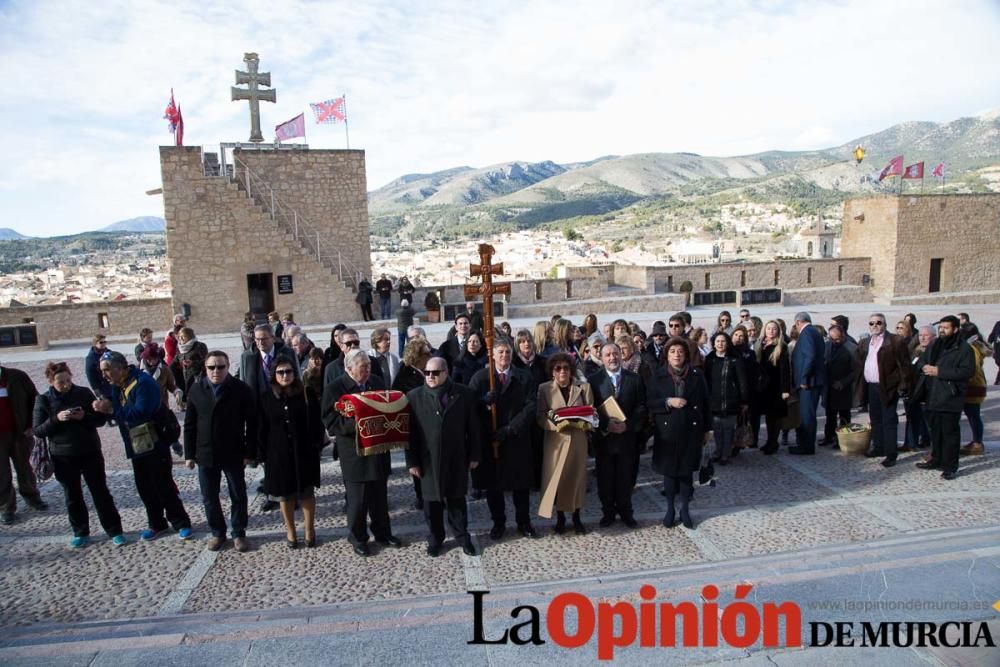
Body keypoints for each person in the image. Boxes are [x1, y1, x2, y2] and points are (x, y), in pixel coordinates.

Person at [93, 351, 193, 540]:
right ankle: (156, 523)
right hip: (136, 443)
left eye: (107, 370)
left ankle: (180, 521)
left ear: (121, 368)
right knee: (145, 487)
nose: (104, 375)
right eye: (102, 371)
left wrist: (112, 409)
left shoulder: (143, 383)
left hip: (155, 442)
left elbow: (140, 413)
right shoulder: (117, 384)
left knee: (163, 485)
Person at [33, 362, 124, 547]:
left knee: (100, 492)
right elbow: (38, 430)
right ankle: (81, 531)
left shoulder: (83, 393)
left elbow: (100, 420)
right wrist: (56, 419)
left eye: (68, 380)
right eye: (61, 382)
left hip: (89, 451)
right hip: (63, 456)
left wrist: (85, 417)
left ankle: (114, 530)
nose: (66, 384)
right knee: (72, 495)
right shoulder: (43, 400)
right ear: (51, 382)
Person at [324, 350, 402, 556]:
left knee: (380, 497)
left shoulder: (376, 381)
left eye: (368, 365)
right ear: (349, 369)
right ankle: (358, 537)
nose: (368, 370)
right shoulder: (335, 388)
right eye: (363, 367)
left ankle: (383, 533)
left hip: (378, 450)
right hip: (354, 453)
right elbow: (331, 421)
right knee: (358, 501)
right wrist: (358, 424)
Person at [406, 356, 481, 557]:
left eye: (435, 372)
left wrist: (474, 454)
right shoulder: (414, 397)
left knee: (456, 499)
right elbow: (410, 434)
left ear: (445, 372)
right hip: (427, 460)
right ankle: (435, 539)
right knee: (431, 503)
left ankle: (462, 537)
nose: (430, 376)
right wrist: (412, 461)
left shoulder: (463, 394)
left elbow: (473, 428)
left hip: (456, 457)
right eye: (427, 372)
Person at [183, 351, 256, 552]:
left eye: (221, 367)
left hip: (233, 451)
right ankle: (217, 532)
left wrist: (250, 451)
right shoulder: (197, 390)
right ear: (205, 368)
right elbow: (189, 425)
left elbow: (252, 423)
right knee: (209, 496)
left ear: (228, 367)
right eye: (211, 367)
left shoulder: (241, 389)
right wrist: (189, 454)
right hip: (205, 453)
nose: (216, 371)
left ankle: (239, 533)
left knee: (238, 494)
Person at [469, 337, 539, 540]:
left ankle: (524, 522)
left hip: (516, 440)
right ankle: (498, 522)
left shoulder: (524, 377)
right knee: (494, 487)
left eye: (508, 352)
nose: (505, 356)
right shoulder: (481, 378)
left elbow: (531, 406)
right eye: (500, 352)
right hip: (492, 443)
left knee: (520, 486)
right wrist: (483, 402)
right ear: (492, 355)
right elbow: (469, 406)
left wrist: (510, 429)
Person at [260, 357, 324, 548]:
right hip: (278, 454)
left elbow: (316, 422)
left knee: (306, 492)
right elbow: (261, 428)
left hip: (303, 452)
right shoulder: (266, 397)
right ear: (274, 375)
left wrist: (316, 445)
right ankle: (290, 530)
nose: (285, 375)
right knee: (285, 495)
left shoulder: (307, 393)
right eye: (281, 372)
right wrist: (262, 454)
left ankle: (309, 529)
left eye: (288, 371)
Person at [647, 337, 711, 529]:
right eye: (673, 351)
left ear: (686, 355)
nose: (677, 355)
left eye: (680, 351)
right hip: (667, 431)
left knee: (685, 471)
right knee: (669, 472)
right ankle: (670, 509)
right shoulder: (658, 376)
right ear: (667, 354)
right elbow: (649, 403)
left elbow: (706, 403)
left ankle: (684, 509)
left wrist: (708, 429)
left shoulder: (696, 375)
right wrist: (668, 401)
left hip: (691, 429)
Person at [588, 342, 646, 528]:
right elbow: (591, 409)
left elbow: (642, 406)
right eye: (608, 355)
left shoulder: (634, 379)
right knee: (605, 479)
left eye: (615, 354)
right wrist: (607, 425)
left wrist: (627, 425)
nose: (612, 358)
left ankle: (626, 512)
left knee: (625, 478)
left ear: (621, 355)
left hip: (627, 439)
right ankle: (608, 513)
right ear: (602, 358)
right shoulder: (593, 380)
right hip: (604, 439)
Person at [536, 352, 593, 535]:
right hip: (556, 441)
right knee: (557, 480)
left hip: (577, 440)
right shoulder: (544, 389)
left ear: (571, 370)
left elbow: (592, 412)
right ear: (552, 372)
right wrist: (555, 425)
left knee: (576, 479)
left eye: (566, 368)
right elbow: (540, 415)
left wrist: (584, 422)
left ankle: (577, 518)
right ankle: (560, 518)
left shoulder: (583, 388)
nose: (562, 371)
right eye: (557, 368)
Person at [916, 316, 975, 480]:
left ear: (955, 329)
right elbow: (920, 360)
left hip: (951, 396)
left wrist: (939, 371)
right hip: (933, 395)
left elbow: (967, 372)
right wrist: (924, 367)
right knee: (935, 431)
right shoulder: (936, 344)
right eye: (941, 327)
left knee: (950, 434)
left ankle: (950, 466)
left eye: (946, 328)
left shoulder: (963, 349)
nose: (942, 330)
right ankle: (936, 459)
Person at [855, 313, 911, 467]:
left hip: (888, 386)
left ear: (885, 324)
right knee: (876, 418)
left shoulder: (895, 341)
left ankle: (891, 453)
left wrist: (902, 386)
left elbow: (904, 366)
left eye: (878, 323)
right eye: (872, 323)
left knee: (889, 420)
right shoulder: (865, 342)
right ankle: (878, 446)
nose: (875, 326)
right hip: (871, 385)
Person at [0, 359, 47, 525]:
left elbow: (36, 400)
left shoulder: (17, 377)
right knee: (1, 472)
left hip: (20, 433)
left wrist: (32, 425)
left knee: (24, 467)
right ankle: (6, 507)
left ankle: (32, 497)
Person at [393, 338, 434, 509]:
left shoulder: (431, 369)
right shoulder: (405, 373)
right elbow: (397, 396)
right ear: (417, 356)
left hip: (433, 424)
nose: (430, 355)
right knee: (417, 463)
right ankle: (421, 495)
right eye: (427, 353)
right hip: (414, 426)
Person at [704, 332, 749, 464]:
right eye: (717, 341)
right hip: (715, 399)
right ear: (713, 343)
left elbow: (742, 381)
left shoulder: (734, 359)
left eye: (723, 341)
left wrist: (744, 400)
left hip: (731, 400)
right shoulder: (710, 358)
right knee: (717, 428)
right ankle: (718, 450)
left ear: (727, 343)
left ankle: (725, 454)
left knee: (728, 428)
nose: (720, 344)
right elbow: (706, 379)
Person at [789, 312, 826, 456]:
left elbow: (810, 356)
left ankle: (806, 446)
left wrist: (804, 378)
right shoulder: (814, 332)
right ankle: (805, 444)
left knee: (807, 416)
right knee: (807, 414)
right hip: (811, 381)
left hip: (808, 383)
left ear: (798, 322)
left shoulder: (807, 333)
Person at [821, 324, 860, 448]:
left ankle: (843, 439)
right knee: (830, 414)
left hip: (844, 387)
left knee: (844, 415)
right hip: (829, 385)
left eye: (837, 339)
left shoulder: (851, 348)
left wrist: (843, 382)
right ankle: (829, 436)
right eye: (832, 339)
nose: (835, 342)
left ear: (843, 335)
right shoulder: (827, 346)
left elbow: (857, 369)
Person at [140, 343, 183, 455]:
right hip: (145, 409)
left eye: (153, 359)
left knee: (168, 430)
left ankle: (175, 445)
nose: (150, 361)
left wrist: (177, 393)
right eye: (148, 359)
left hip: (162, 406)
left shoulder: (164, 369)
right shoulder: (138, 371)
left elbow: (172, 386)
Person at [757, 321, 791, 455]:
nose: (771, 331)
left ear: (778, 331)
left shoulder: (781, 347)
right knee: (769, 416)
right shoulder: (762, 345)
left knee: (776, 416)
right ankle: (769, 441)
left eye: (774, 329)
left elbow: (785, 370)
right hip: (765, 387)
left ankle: (773, 442)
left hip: (777, 386)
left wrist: (785, 390)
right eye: (769, 328)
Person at [959, 323, 989, 456]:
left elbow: (973, 368)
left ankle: (977, 443)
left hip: (973, 385)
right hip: (977, 384)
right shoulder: (977, 345)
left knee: (973, 415)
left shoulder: (971, 348)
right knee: (973, 415)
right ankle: (977, 441)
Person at [731, 327, 762, 449]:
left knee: (748, 417)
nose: (738, 338)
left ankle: (748, 440)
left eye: (741, 336)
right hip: (732, 391)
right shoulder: (728, 352)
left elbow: (753, 372)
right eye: (736, 335)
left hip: (748, 389)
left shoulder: (749, 353)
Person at [170, 327, 208, 403]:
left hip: (198, 376)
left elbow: (207, 360)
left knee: (196, 396)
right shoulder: (179, 347)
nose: (181, 339)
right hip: (184, 377)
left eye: (183, 336)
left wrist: (193, 363)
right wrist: (167, 370)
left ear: (189, 336)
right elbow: (175, 360)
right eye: (179, 336)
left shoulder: (200, 346)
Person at [84, 334, 111, 399]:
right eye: (101, 342)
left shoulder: (108, 352)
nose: (104, 344)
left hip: (112, 383)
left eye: (105, 342)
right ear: (95, 343)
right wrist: (97, 390)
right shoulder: (91, 358)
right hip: (102, 386)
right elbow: (90, 375)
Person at [988, 318, 1000, 385]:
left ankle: (997, 381)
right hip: (997, 350)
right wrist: (988, 344)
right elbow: (992, 335)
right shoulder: (998, 324)